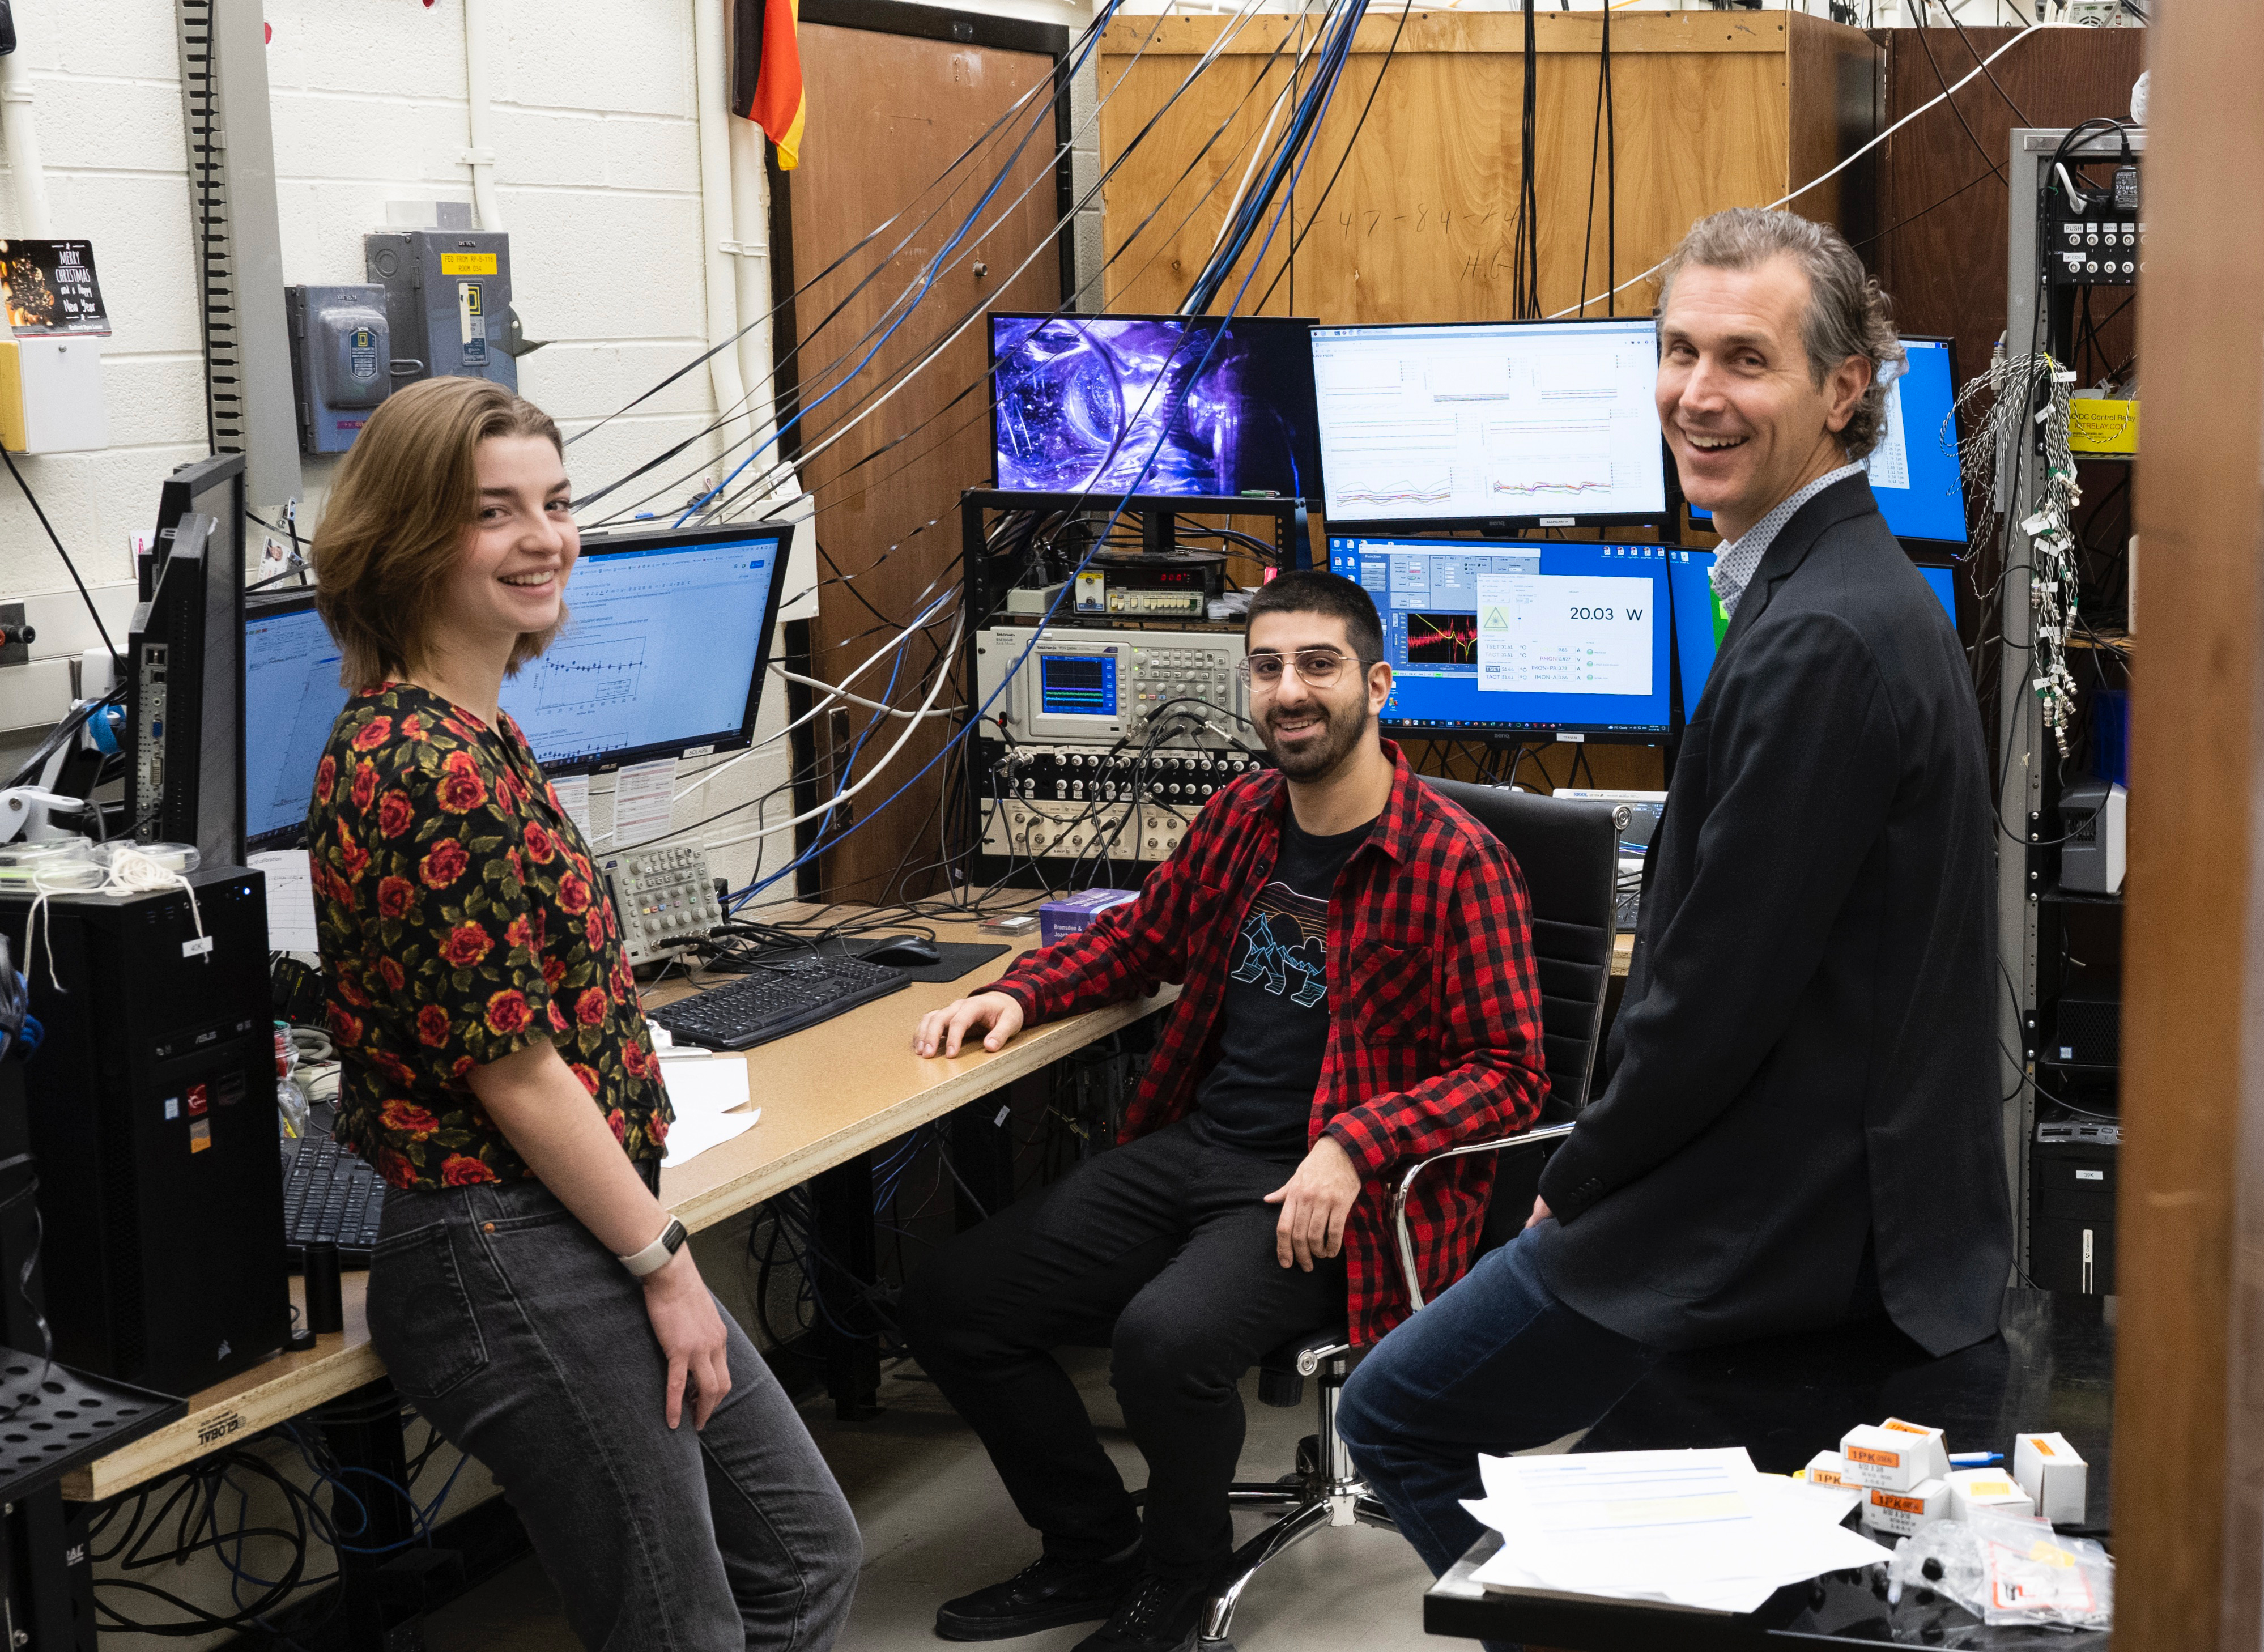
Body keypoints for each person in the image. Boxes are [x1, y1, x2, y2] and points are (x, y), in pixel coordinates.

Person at [1338, 207, 2007, 1583]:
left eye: (1746, 360)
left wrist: (1570, 1184)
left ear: (1842, 391)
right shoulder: (1842, 587)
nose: (1699, 395)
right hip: (1830, 1199)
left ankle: (1572, 1615)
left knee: (1390, 1413)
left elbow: (1709, 999)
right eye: (1678, 351)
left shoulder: (1821, 634)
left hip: (1771, 1219)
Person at [303, 376, 862, 1651]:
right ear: (405, 538)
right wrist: (664, 1265)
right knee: (678, 1629)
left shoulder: (475, 734)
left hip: (570, 1231)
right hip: (502, 1250)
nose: (543, 537)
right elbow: (514, 1073)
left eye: (555, 504)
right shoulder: (423, 766)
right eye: (492, 513)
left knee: (806, 1552)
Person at [898, 569, 1546, 1650]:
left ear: (1378, 685)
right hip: (1200, 1149)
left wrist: (1355, 1140)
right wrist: (1016, 990)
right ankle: (1089, 1547)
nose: (1289, 691)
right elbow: (1140, 939)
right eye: (1267, 667)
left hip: (1330, 1188)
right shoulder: (1244, 816)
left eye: (1318, 666)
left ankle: (1180, 1577)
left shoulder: (1454, 861)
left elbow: (1512, 1071)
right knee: (952, 1302)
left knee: (1164, 1344)